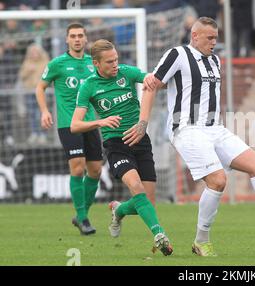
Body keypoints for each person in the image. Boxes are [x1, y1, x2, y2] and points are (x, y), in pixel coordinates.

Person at [142, 17, 255, 257]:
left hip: (215, 129)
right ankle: (201, 241)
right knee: (217, 181)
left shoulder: (215, 60)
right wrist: (142, 123)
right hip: (187, 129)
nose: (214, 43)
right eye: (210, 38)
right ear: (194, 36)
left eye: (216, 38)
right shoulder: (177, 54)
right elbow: (152, 84)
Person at [71, 39, 173, 256]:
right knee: (136, 186)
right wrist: (100, 122)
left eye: (116, 59)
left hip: (140, 140)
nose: (115, 64)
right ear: (96, 63)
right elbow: (75, 125)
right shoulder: (89, 85)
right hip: (116, 143)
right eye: (109, 62)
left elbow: (148, 78)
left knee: (147, 201)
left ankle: (119, 210)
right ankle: (159, 234)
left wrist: (148, 78)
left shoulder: (126, 73)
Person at [35, 23, 102, 235]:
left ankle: (82, 214)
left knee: (96, 171)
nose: (77, 39)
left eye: (80, 35)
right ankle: (83, 219)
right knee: (78, 167)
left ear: (86, 38)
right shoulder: (57, 64)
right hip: (68, 124)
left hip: (90, 122)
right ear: (67, 40)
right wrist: (45, 111)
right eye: (73, 36)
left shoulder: (93, 64)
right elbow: (40, 86)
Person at [18, 43, 49, 144]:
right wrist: (28, 71)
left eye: (36, 52)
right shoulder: (27, 62)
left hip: (42, 92)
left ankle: (43, 135)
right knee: (31, 113)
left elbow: (50, 76)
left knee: (42, 113)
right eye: (32, 52)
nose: (34, 54)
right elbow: (21, 76)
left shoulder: (45, 62)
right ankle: (34, 133)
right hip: (30, 91)